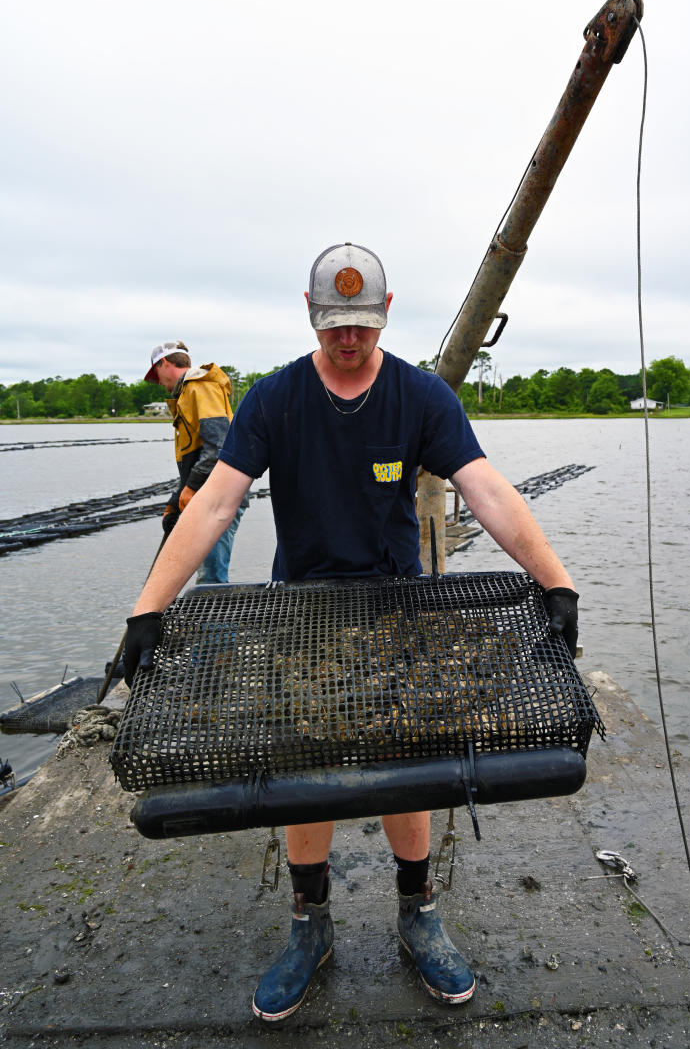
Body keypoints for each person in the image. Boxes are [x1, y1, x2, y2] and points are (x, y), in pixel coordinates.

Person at [125, 244, 579, 1023]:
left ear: (387, 311)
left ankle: (418, 912)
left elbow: (488, 490)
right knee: (309, 766)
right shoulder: (273, 400)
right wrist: (147, 608)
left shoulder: (421, 396)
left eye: (362, 326)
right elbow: (213, 505)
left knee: (412, 760)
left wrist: (555, 579)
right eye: (334, 325)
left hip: (400, 605)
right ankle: (311, 925)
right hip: (302, 609)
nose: (348, 340)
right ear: (310, 312)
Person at [143, 339, 248, 587]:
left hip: (220, 497)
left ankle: (219, 627)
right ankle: (210, 625)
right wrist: (174, 502)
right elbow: (195, 458)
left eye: (156, 372)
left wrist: (190, 488)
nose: (159, 381)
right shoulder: (186, 393)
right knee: (206, 576)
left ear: (165, 363)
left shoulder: (200, 387)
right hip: (206, 497)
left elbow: (218, 447)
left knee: (211, 578)